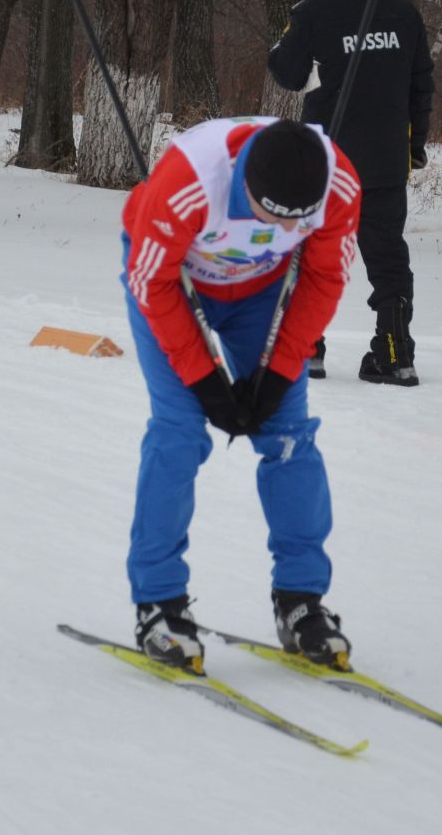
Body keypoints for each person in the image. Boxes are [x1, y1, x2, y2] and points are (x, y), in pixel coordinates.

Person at [120, 117, 362, 673]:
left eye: (294, 220)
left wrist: (278, 373)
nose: (281, 225)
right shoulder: (189, 182)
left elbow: (325, 278)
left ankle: (300, 599)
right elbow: (151, 281)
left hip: (261, 293)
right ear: (244, 184)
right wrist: (205, 383)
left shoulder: (337, 185)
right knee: (179, 432)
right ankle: (159, 601)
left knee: (287, 437)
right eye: (270, 213)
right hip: (170, 286)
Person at [266, 0, 434, 387]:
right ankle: (395, 353)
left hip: (325, 162)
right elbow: (421, 86)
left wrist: (301, 19)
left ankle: (305, 348)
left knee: (311, 250)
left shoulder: (312, 13)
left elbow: (285, 71)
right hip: (384, 161)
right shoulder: (403, 12)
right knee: (387, 256)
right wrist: (414, 146)